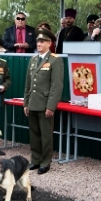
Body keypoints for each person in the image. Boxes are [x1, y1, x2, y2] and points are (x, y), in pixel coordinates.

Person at [24, 27, 64, 175]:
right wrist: (26, 103)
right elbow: (28, 84)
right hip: (33, 103)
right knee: (34, 134)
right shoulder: (33, 60)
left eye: (42, 41)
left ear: (49, 43)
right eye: (38, 41)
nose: (39, 44)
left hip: (45, 104)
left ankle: (45, 162)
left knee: (46, 135)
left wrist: (51, 106)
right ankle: (35, 160)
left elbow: (56, 86)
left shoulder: (55, 60)